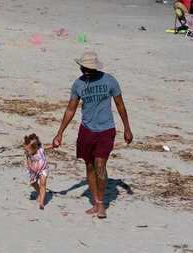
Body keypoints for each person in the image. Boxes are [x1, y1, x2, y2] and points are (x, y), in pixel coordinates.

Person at [52, 51, 133, 219]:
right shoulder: (78, 85)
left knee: (100, 165)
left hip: (106, 130)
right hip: (86, 130)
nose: (86, 71)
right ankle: (96, 202)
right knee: (89, 166)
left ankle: (101, 203)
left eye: (90, 68)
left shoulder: (110, 81)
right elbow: (70, 109)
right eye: (84, 68)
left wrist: (127, 128)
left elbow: (120, 105)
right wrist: (59, 133)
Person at [24, 133, 48, 210]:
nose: (27, 152)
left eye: (28, 150)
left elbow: (48, 147)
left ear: (35, 148)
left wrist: (54, 145)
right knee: (33, 183)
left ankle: (41, 203)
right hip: (34, 170)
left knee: (43, 184)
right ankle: (40, 193)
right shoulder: (28, 153)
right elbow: (28, 160)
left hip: (43, 169)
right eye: (26, 150)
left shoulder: (40, 150)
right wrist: (29, 166)